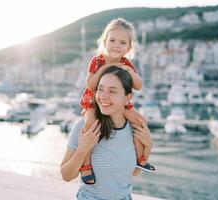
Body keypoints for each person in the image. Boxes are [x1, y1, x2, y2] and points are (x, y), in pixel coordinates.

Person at [61, 66, 154, 200]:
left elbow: (133, 172)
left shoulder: (135, 130)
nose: (103, 96)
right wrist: (82, 149)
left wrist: (148, 146)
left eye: (112, 91)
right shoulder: (85, 127)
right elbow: (66, 176)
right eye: (100, 89)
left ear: (128, 98)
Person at [79, 18, 152, 184]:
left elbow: (138, 85)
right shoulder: (97, 61)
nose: (116, 45)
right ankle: (86, 165)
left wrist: (129, 71)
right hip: (93, 100)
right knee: (89, 124)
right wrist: (103, 70)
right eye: (112, 40)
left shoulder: (126, 63)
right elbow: (90, 85)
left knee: (139, 121)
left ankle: (141, 158)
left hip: (118, 103)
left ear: (128, 47)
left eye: (122, 42)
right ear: (105, 42)